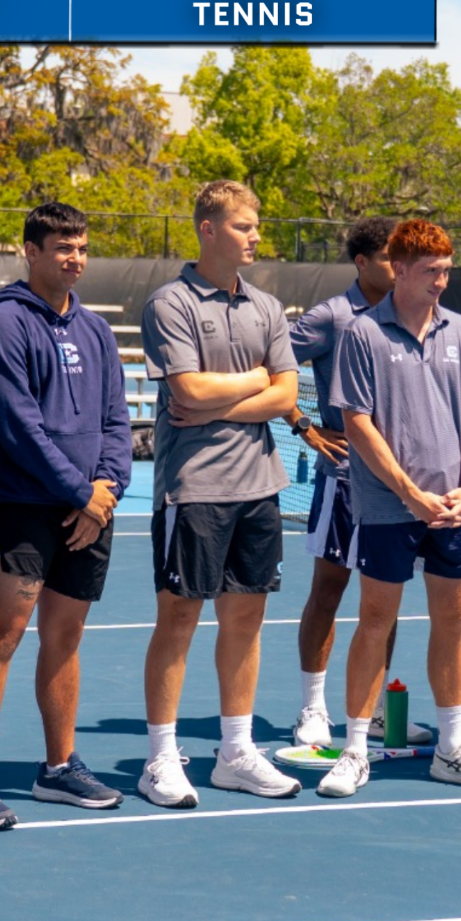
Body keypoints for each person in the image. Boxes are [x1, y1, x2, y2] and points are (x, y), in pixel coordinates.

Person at [0, 203, 132, 828]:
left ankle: (58, 768)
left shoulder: (97, 331)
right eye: (61, 247)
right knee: (2, 636)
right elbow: (18, 428)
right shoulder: (4, 326)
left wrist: (105, 491)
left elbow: (115, 420)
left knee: (66, 637)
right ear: (30, 251)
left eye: (81, 247)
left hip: (88, 510)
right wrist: (81, 493)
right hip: (22, 509)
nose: (74, 258)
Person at [320, 220, 461, 796]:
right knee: (375, 621)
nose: (441, 282)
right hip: (388, 507)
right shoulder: (361, 335)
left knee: (454, 623)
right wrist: (409, 493)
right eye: (431, 271)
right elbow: (357, 422)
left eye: (446, 270)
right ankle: (355, 749)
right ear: (398, 270)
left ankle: (452, 748)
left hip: (455, 508)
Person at [138, 180, 302, 807]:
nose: (255, 235)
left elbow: (286, 397)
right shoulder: (170, 303)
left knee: (247, 619)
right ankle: (159, 759)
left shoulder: (267, 306)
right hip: (194, 488)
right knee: (178, 618)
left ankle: (235, 752)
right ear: (208, 229)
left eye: (256, 225)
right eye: (243, 226)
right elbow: (188, 394)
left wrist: (228, 396)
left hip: (260, 487)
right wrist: (254, 382)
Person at [284, 217, 430, 750]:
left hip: (398, 488)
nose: (400, 269)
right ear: (362, 263)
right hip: (344, 482)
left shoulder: (415, 314)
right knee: (328, 591)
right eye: (390, 259)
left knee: (383, 601)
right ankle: (313, 709)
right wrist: (303, 423)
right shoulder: (331, 317)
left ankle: (367, 713)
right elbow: (269, 363)